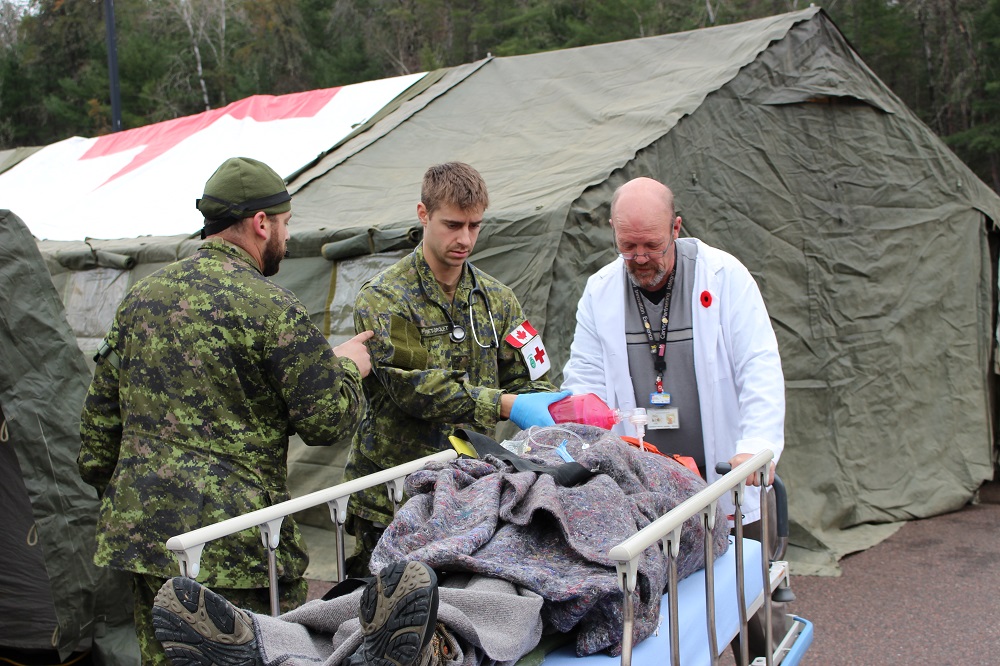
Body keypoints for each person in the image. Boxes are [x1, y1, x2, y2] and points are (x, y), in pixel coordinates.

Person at [78, 156, 373, 666]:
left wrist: (125, 503)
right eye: (284, 223)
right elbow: (326, 420)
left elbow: (98, 435)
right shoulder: (272, 307)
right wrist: (346, 368)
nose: (285, 235)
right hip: (238, 547)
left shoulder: (140, 300)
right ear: (262, 223)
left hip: (149, 540)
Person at [560, 175, 786, 659]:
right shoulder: (600, 292)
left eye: (652, 245)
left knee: (749, 608)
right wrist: (580, 429)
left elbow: (759, 367)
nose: (639, 257)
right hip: (650, 491)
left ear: (677, 229)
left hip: (725, 479)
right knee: (666, 620)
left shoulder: (724, 278)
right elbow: (584, 381)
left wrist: (758, 446)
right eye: (627, 245)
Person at [343, 162, 567, 575]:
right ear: (423, 214)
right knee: (386, 616)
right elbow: (417, 390)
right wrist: (504, 405)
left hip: (473, 493)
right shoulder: (386, 299)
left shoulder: (496, 300)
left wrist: (547, 425)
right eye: (452, 224)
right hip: (397, 497)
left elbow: (532, 379)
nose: (464, 239)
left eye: (474, 225)